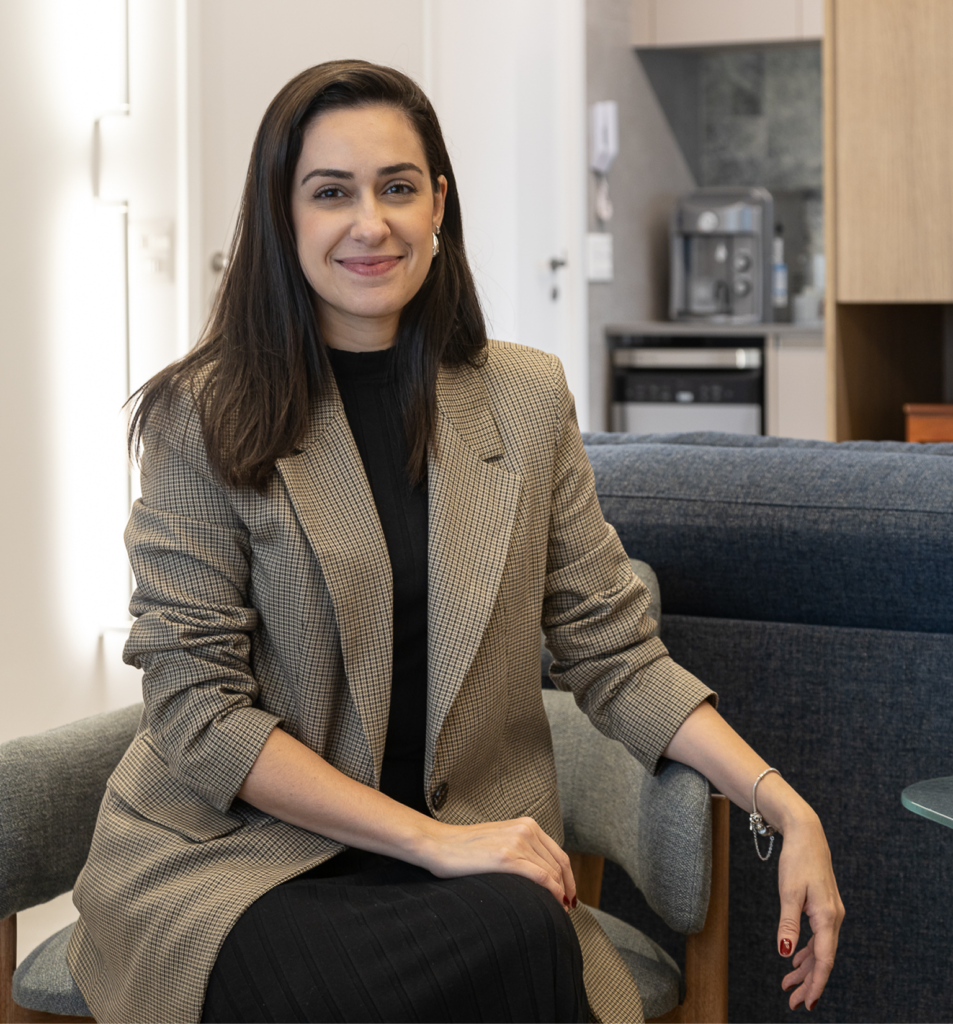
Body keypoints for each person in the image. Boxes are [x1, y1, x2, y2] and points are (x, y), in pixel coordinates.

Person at [67, 59, 843, 1024]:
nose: (370, 223)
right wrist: (429, 842)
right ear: (281, 214)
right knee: (505, 942)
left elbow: (614, 651)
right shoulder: (202, 414)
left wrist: (783, 803)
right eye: (330, 193)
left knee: (517, 929)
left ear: (437, 203)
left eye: (396, 187)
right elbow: (197, 711)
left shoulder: (524, 397)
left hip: (462, 860)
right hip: (238, 865)